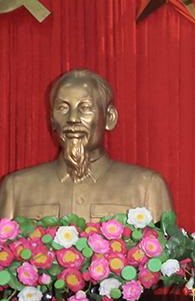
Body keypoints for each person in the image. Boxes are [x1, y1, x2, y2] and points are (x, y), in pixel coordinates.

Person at [0, 69, 173, 220]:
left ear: (110, 118)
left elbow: (165, 246)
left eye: (85, 108)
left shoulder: (146, 187)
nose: (72, 118)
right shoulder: (17, 188)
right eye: (63, 108)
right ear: (52, 119)